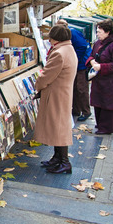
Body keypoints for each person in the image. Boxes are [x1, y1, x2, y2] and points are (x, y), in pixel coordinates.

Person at [33, 24, 78, 174]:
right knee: (57, 126)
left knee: (58, 128)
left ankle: (64, 162)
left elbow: (46, 76)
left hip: (56, 95)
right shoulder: (68, 49)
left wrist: (37, 85)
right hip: (62, 93)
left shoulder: (59, 53)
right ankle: (57, 158)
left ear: (55, 38)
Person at [85, 18, 113, 134]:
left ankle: (107, 128)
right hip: (98, 79)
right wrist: (92, 62)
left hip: (109, 80)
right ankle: (100, 124)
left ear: (107, 32)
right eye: (97, 31)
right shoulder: (98, 43)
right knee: (98, 102)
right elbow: (91, 55)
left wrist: (102, 67)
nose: (97, 34)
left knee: (107, 103)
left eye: (99, 32)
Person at [57, 19, 92, 121]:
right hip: (77, 64)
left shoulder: (73, 33)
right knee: (74, 87)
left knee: (81, 88)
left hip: (81, 65)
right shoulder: (69, 33)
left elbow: (82, 46)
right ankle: (76, 110)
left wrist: (75, 60)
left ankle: (86, 111)